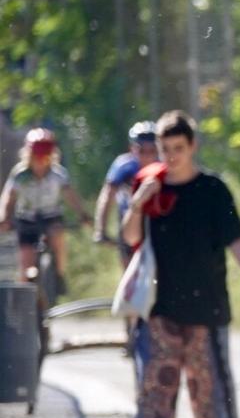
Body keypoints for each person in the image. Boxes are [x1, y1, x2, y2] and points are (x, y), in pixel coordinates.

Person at [122, 110, 240, 418]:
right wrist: (138, 203)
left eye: (178, 148)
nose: (171, 156)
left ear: (193, 146)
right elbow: (131, 236)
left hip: (208, 305)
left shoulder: (213, 191)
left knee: (209, 384)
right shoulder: (151, 189)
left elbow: (235, 237)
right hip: (162, 305)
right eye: (165, 149)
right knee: (158, 381)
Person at [0, 128, 92, 293]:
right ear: (28, 156)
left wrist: (83, 215)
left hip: (51, 217)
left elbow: (71, 197)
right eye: (37, 157)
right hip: (26, 220)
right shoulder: (20, 175)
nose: (41, 162)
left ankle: (59, 273)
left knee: (57, 236)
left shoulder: (59, 175)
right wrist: (4, 217)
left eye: (46, 157)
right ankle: (25, 296)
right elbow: (8, 197)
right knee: (26, 263)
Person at [94, 121, 160, 264]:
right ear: (132, 149)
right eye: (142, 150)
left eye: (152, 150)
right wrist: (101, 229)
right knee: (129, 272)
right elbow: (107, 195)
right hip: (128, 220)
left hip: (157, 222)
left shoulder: (163, 165)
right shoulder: (123, 165)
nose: (148, 156)